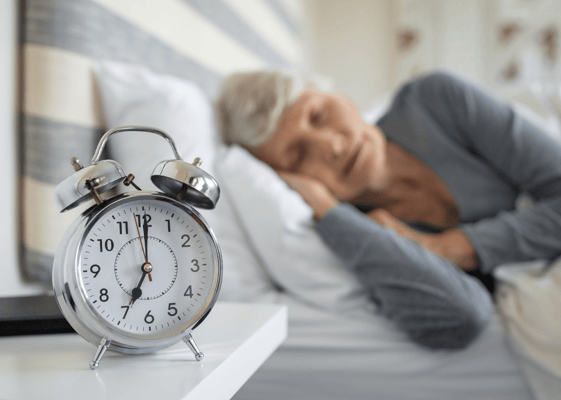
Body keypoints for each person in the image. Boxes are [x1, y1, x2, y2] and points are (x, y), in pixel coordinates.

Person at [214, 70, 561, 350]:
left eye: (318, 115)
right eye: (298, 156)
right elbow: (462, 315)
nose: (332, 146)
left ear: (339, 96)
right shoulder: (357, 233)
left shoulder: (435, 101)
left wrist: (444, 248)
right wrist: (328, 209)